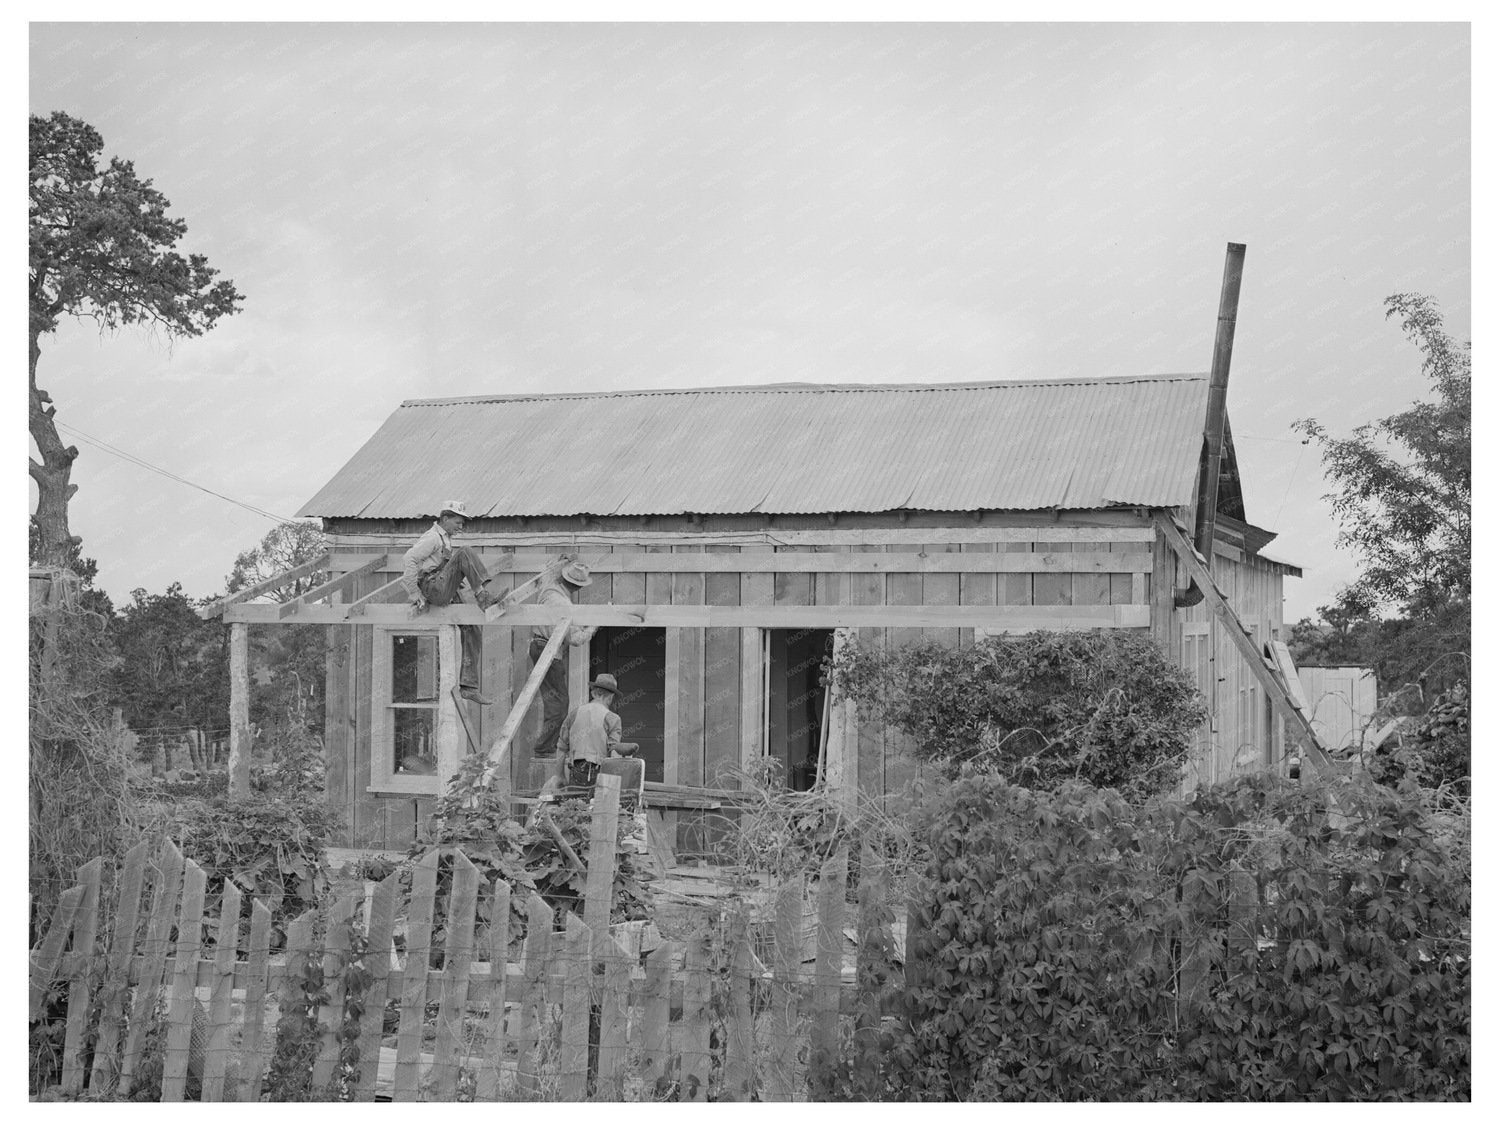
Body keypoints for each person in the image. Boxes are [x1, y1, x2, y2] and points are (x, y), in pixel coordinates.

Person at [401, 499, 494, 705]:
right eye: (458, 523)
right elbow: (409, 559)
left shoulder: (445, 540)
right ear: (445, 518)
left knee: (472, 628)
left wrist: (454, 580)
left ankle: (469, 686)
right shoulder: (433, 538)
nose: (461, 527)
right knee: (465, 552)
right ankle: (483, 597)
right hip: (432, 586)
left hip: (442, 586)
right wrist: (415, 595)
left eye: (463, 524)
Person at [530, 560, 598, 755]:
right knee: (559, 704)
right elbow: (576, 639)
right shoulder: (563, 604)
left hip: (540, 645)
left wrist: (566, 559)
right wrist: (594, 625)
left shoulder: (549, 588)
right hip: (548, 650)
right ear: (577, 586)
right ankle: (544, 748)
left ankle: (546, 746)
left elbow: (548, 571)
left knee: (556, 701)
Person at [554, 673, 632, 786]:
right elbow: (614, 751)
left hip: (576, 771)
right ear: (610, 697)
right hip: (599, 770)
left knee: (576, 803)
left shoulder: (574, 714)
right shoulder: (613, 718)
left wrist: (560, 776)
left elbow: (561, 748)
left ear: (593, 693)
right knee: (598, 803)